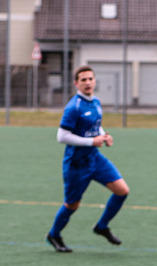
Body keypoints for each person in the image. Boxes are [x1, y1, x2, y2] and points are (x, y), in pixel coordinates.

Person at [46, 65, 129, 253]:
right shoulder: (73, 107)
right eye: (83, 80)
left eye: (90, 79)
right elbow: (61, 136)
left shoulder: (96, 102)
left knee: (122, 191)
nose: (88, 82)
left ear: (95, 81)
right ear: (76, 83)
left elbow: (95, 127)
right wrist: (91, 141)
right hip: (76, 164)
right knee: (72, 205)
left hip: (95, 159)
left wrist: (103, 136)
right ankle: (54, 234)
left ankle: (102, 226)